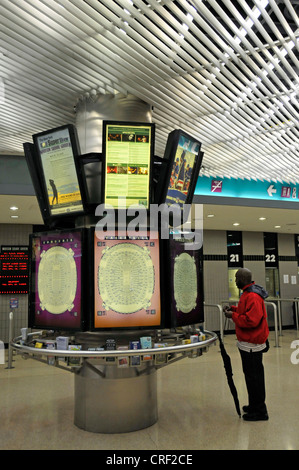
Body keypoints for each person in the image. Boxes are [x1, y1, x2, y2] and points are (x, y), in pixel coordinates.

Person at [223, 268, 269, 421]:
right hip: (248, 343)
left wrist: (233, 316)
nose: (235, 280)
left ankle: (260, 411)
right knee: (251, 377)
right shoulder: (247, 294)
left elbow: (251, 320)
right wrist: (234, 310)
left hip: (252, 345)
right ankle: (254, 405)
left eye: (236, 278)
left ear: (243, 278)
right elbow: (245, 312)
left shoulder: (253, 296)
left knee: (254, 378)